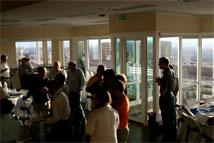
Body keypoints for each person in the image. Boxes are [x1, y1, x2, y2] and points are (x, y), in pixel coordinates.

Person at [156, 57, 176, 142]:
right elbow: (170, 83)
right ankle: (171, 135)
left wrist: (161, 97)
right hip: (171, 96)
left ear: (164, 64)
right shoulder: (171, 71)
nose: (158, 64)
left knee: (165, 116)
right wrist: (161, 81)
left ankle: (167, 136)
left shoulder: (166, 73)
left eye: (160, 63)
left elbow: (165, 88)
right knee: (170, 116)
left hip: (166, 97)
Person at [66, 61, 86, 125]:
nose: (69, 67)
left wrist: (80, 90)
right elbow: (68, 81)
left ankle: (83, 119)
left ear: (73, 66)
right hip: (70, 91)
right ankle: (76, 120)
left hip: (76, 92)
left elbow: (83, 81)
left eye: (70, 66)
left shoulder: (79, 71)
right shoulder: (69, 72)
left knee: (78, 106)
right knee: (72, 106)